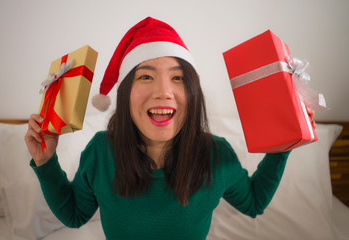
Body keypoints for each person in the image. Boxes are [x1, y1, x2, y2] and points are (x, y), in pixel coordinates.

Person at [25, 17, 316, 240]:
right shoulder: (101, 151)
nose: (164, 92)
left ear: (192, 94)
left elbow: (253, 202)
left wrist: (284, 144)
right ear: (125, 95)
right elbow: (75, 215)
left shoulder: (217, 155)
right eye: (146, 77)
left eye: (177, 78)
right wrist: (45, 162)